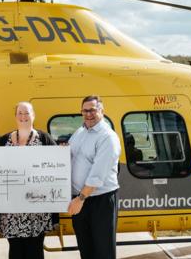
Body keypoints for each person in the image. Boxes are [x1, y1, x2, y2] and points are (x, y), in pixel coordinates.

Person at [0, 102, 58, 259]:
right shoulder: (3, 141)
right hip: (10, 212)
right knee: (15, 250)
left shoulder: (45, 139)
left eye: (27, 113)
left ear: (33, 116)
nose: (23, 116)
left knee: (35, 250)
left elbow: (57, 169)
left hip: (37, 210)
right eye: (20, 113)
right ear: (15, 116)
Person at [67, 95, 121, 259]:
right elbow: (71, 155)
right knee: (86, 248)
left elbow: (97, 175)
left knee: (103, 250)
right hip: (81, 200)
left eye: (92, 110)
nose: (88, 114)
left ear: (102, 111)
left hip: (100, 201)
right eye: (85, 110)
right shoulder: (80, 131)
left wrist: (80, 198)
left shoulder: (108, 137)